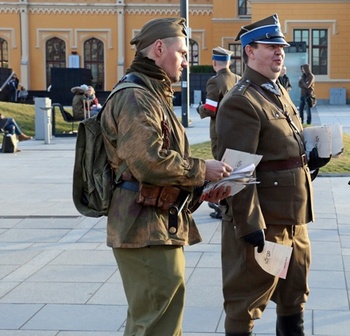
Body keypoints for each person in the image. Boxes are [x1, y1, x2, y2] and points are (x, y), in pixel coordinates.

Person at [99, 17, 233, 336]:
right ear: (160, 48)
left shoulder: (150, 92)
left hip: (155, 221)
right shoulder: (135, 96)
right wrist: (203, 169)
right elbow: (148, 162)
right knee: (157, 323)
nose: (187, 61)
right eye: (183, 53)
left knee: (155, 319)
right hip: (142, 225)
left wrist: (200, 188)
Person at [215, 13, 329, 336]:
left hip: (293, 221)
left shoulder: (276, 92)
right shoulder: (242, 101)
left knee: (294, 298)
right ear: (250, 51)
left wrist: (311, 160)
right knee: (247, 303)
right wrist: (250, 225)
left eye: (281, 46)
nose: (280, 51)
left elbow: (282, 151)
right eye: (271, 46)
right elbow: (237, 169)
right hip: (265, 225)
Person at [197, 46, 240, 220]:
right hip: (236, 130)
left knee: (221, 169)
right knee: (234, 168)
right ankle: (234, 204)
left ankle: (223, 207)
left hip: (219, 132)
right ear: (229, 63)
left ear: (214, 63)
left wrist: (200, 109)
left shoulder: (215, 81)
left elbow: (210, 108)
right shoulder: (238, 79)